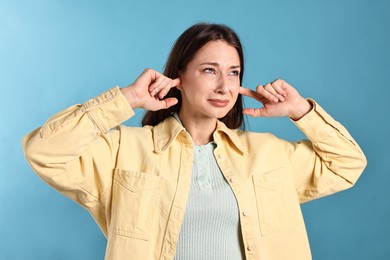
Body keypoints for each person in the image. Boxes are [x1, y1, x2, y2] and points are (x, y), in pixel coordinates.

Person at [22, 23, 367, 260]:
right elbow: (44, 151)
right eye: (209, 70)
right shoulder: (125, 151)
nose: (224, 86)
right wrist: (125, 99)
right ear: (180, 78)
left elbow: (348, 164)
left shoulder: (268, 154)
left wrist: (302, 112)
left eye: (233, 72)